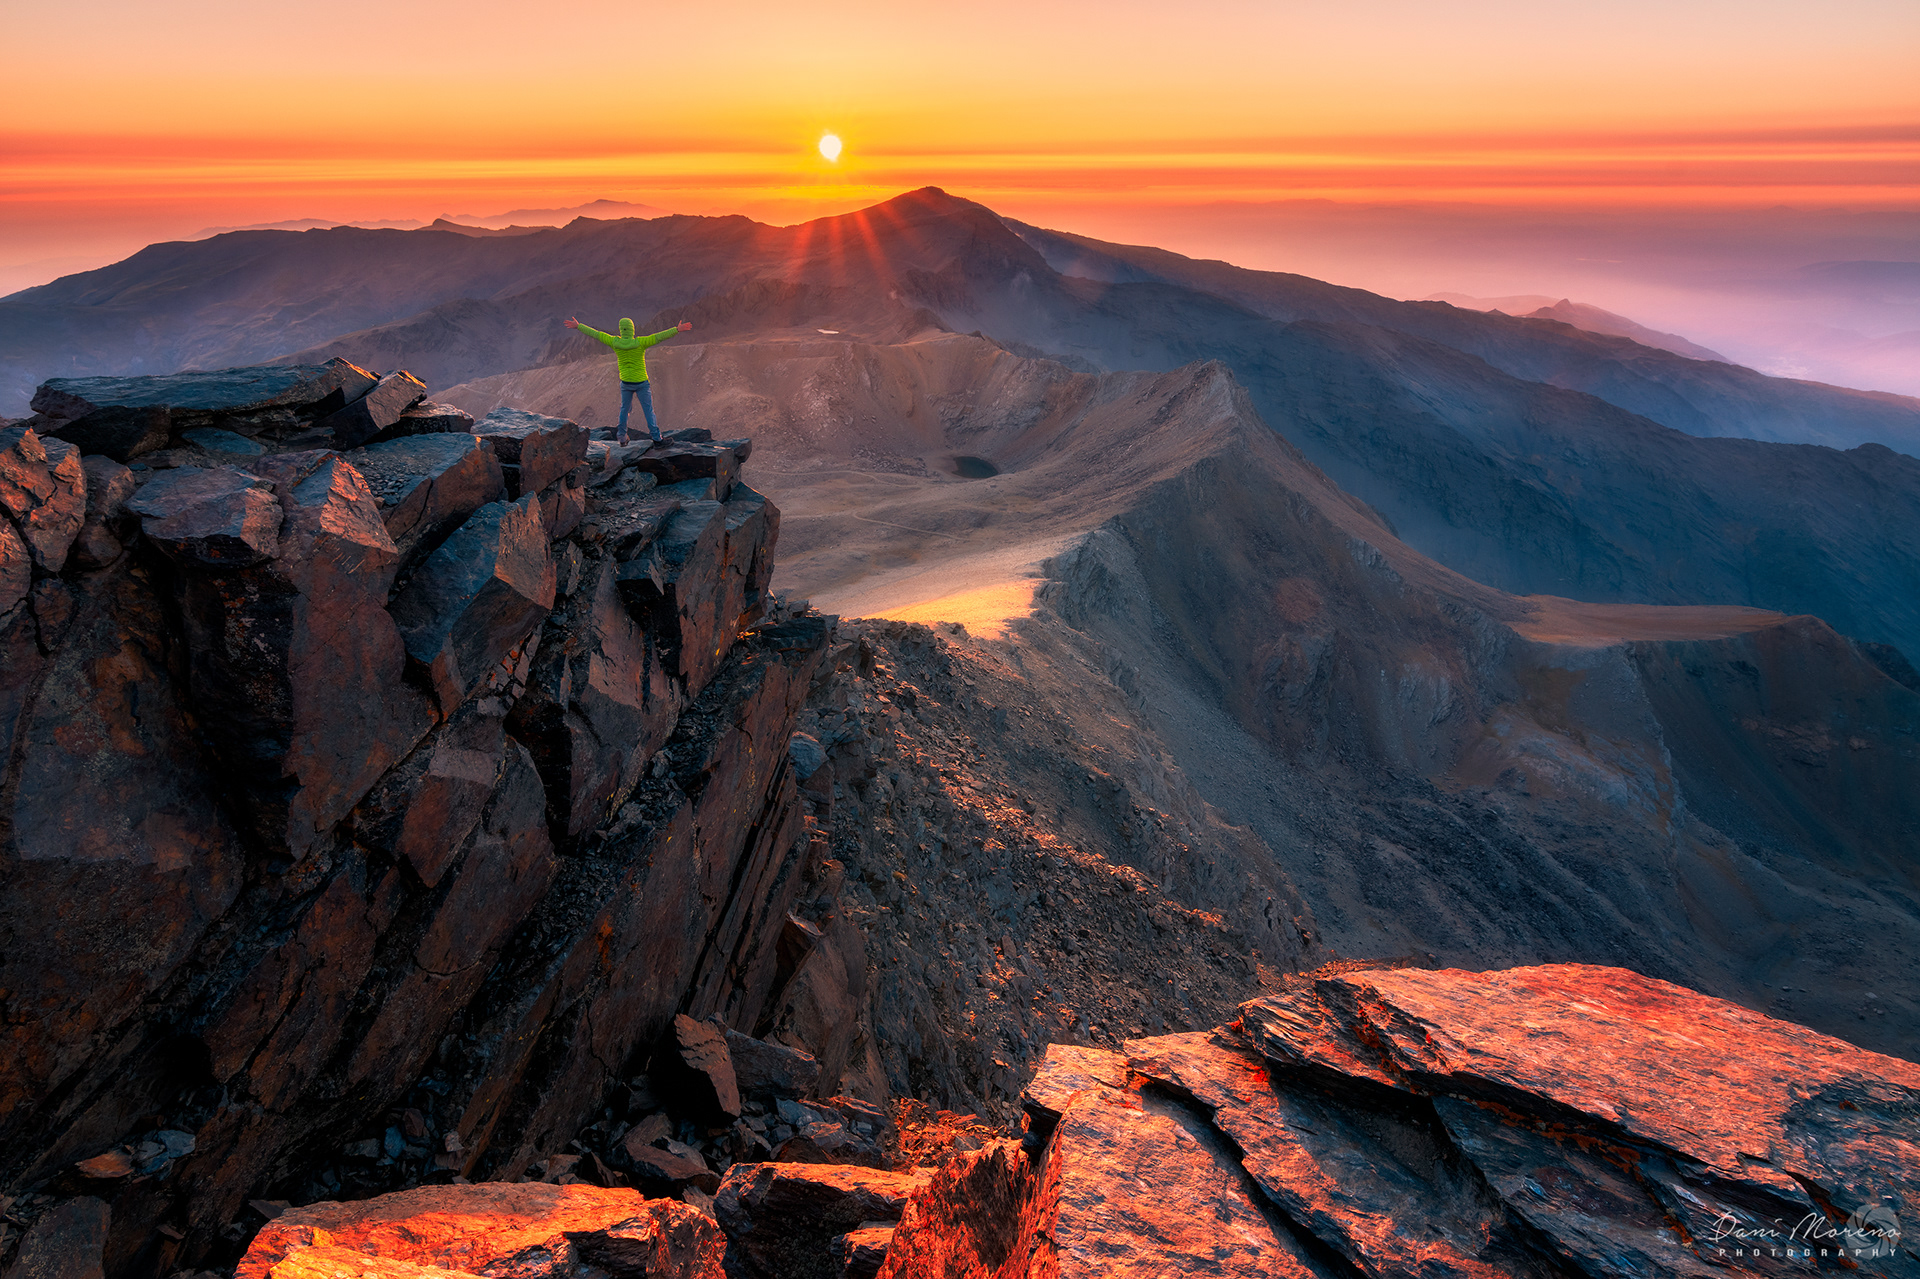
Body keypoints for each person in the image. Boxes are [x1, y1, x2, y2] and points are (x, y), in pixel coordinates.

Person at [564, 315, 693, 445]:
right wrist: (677, 329)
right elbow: (659, 337)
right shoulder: (641, 342)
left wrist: (578, 326)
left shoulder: (614, 342)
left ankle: (621, 438)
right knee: (648, 411)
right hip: (641, 382)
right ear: (632, 329)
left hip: (626, 383)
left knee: (624, 410)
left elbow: (596, 334)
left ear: (621, 330)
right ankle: (657, 439)